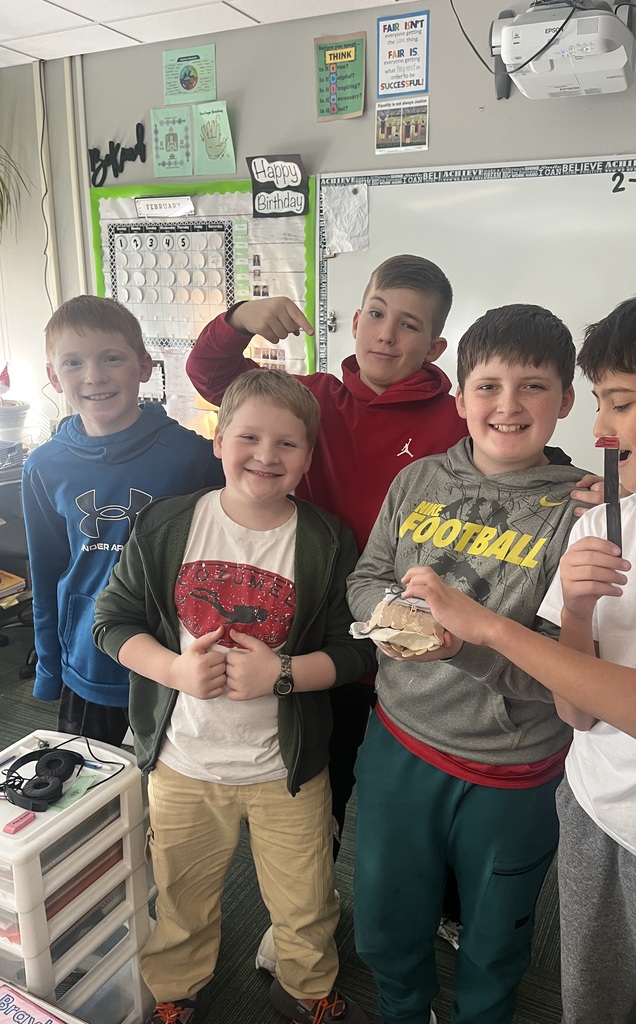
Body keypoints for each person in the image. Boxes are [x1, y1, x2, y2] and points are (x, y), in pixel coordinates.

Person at [398, 278, 636, 1024]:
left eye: (621, 402)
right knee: (591, 1004)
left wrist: (491, 626)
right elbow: (578, 710)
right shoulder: (601, 520)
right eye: (597, 400)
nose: (600, 426)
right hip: (597, 814)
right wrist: (572, 608)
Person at [187, 256, 598, 909]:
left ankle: (446, 908)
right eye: (376, 314)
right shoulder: (315, 397)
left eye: (408, 325)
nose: (385, 334)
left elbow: (514, 452)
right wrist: (240, 319)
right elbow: (212, 379)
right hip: (312, 627)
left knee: (423, 801)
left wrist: (575, 483)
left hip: (418, 657)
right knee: (319, 787)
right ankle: (311, 906)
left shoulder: (457, 410)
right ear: (355, 320)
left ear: (436, 347)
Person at [93, 369, 376, 1024]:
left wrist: (281, 674)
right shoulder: (167, 524)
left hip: (287, 771)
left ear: (309, 456)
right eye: (249, 436)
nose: (267, 456)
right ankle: (173, 992)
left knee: (307, 904)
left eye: (288, 444)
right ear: (219, 439)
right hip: (182, 764)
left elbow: (357, 650)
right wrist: (175, 670)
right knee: (181, 897)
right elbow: (112, 624)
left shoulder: (327, 540)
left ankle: (306, 992)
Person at [346, 303, 588, 1024]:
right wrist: (393, 617)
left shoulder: (583, 510)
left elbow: (562, 665)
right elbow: (368, 575)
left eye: (533, 387)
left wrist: (465, 649)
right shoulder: (418, 480)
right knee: (386, 917)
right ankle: (401, 1008)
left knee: (496, 933)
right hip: (399, 742)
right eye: (487, 386)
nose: (507, 405)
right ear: (459, 398)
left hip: (512, 767)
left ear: (566, 401)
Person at [22, 295, 223, 745]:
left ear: (144, 365)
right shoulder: (44, 467)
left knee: (174, 797)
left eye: (111, 358)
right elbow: (48, 572)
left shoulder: (192, 457)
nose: (94, 376)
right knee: (93, 790)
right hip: (89, 660)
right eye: (73, 363)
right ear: (53, 377)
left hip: (176, 654)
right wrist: (50, 667)